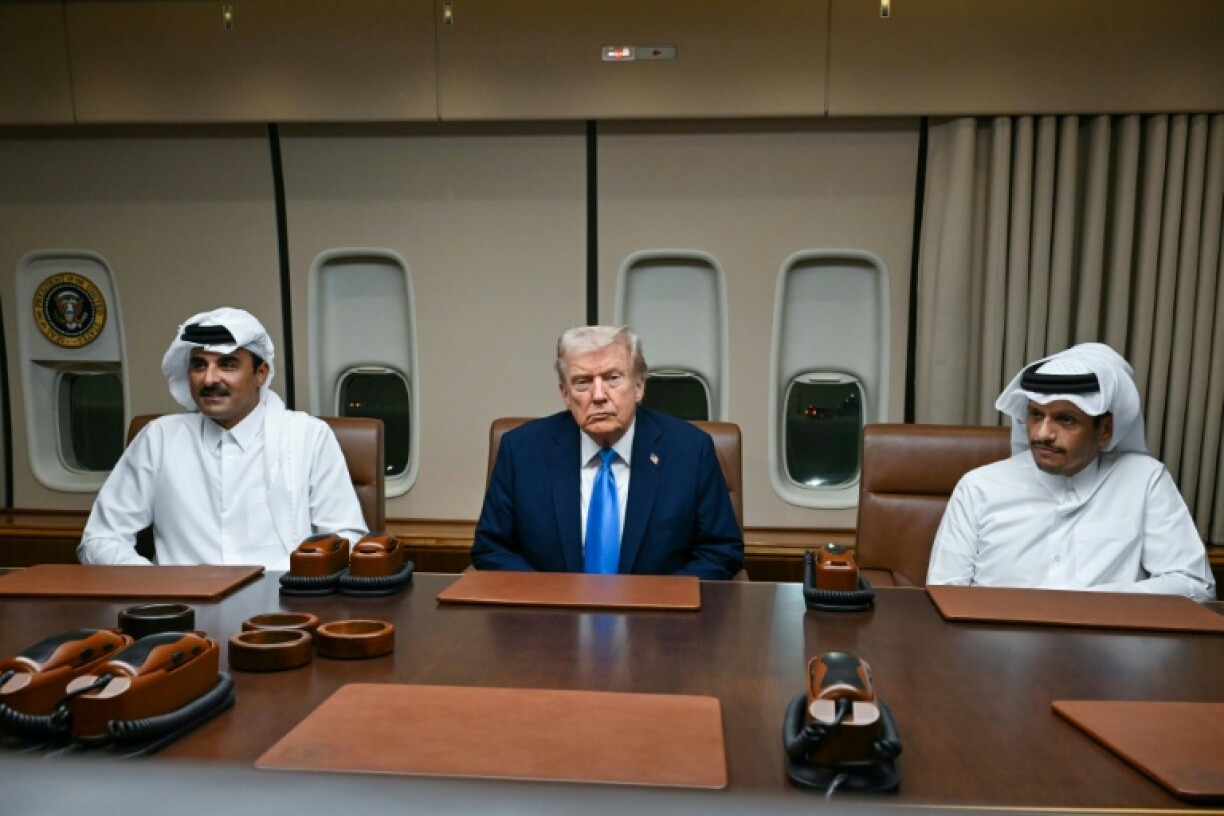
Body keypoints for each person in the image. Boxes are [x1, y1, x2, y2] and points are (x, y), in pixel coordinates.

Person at [78, 307, 368, 570]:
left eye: (227, 364)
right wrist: (158, 587)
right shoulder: (160, 439)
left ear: (261, 374)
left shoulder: (308, 437)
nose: (209, 379)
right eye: (199, 365)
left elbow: (347, 540)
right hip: (182, 612)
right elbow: (100, 539)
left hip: (283, 614)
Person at [927, 342, 1215, 601]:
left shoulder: (1144, 481)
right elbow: (944, 592)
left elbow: (1194, 585)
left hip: (1107, 651)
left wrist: (1086, 603)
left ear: (1104, 430)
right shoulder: (979, 486)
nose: (1042, 434)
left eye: (1065, 419)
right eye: (1036, 415)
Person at [471, 325, 744, 579]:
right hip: (549, 620)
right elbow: (491, 548)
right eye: (582, 382)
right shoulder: (521, 451)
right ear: (565, 394)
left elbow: (720, 551)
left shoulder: (690, 450)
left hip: (658, 623)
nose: (599, 395)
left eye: (613, 378)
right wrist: (551, 599)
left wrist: (655, 602)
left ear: (639, 386)